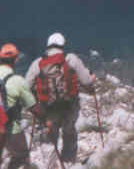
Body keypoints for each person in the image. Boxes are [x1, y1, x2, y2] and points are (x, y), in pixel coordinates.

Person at [24, 32, 94, 164]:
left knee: (50, 138)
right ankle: (68, 162)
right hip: (70, 106)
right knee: (69, 133)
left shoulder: (38, 63)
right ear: (63, 45)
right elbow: (87, 82)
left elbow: (25, 87)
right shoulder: (71, 59)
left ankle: (50, 165)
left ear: (48, 46)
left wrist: (35, 103)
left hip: (48, 109)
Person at [0, 44, 36, 169]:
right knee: (21, 156)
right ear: (16, 60)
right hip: (11, 128)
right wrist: (45, 119)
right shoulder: (18, 81)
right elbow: (33, 106)